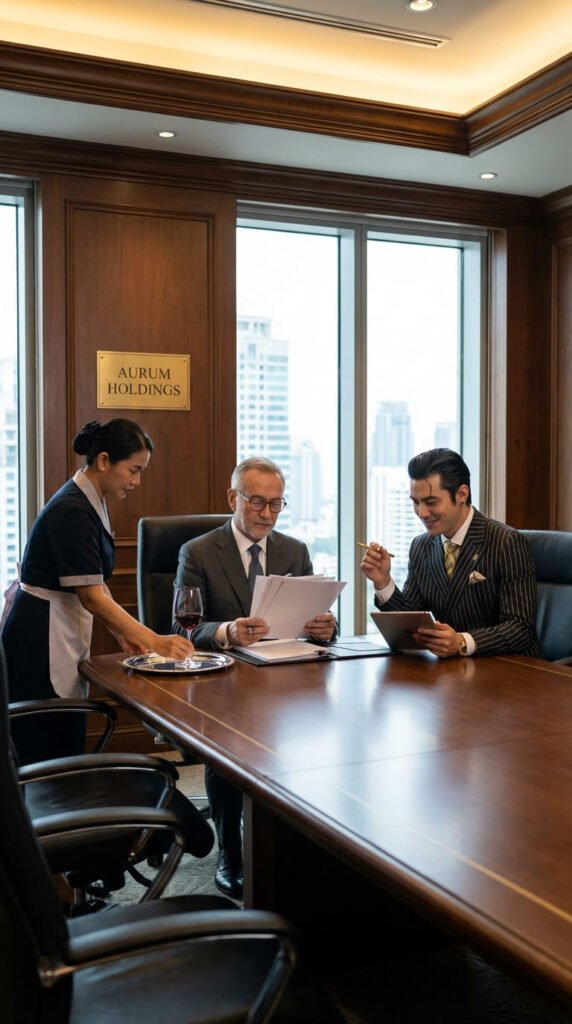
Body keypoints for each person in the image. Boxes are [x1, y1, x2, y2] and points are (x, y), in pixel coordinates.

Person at [175, 455, 336, 897]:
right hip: (223, 679)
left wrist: (326, 626)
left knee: (318, 740)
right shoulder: (199, 552)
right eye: (258, 502)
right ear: (233, 498)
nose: (267, 514)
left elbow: (315, 617)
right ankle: (231, 851)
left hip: (287, 680)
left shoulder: (294, 551)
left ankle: (302, 848)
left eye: (277, 504)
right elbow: (180, 626)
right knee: (229, 750)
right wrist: (228, 631)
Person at [2, 418, 194, 766]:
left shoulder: (90, 499)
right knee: (46, 743)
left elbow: (93, 583)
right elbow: (91, 596)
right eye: (133, 470)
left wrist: (121, 632)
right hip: (39, 636)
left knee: (62, 732)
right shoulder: (73, 510)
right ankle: (48, 816)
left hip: (56, 624)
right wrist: (155, 641)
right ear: (104, 461)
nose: (136, 481)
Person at [360, 447, 542, 660]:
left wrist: (462, 642)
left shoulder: (506, 542)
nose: (422, 513)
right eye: (415, 502)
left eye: (431, 502)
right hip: (451, 673)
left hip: (512, 670)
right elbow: (413, 620)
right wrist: (384, 582)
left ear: (461, 494)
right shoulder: (421, 546)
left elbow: (520, 628)